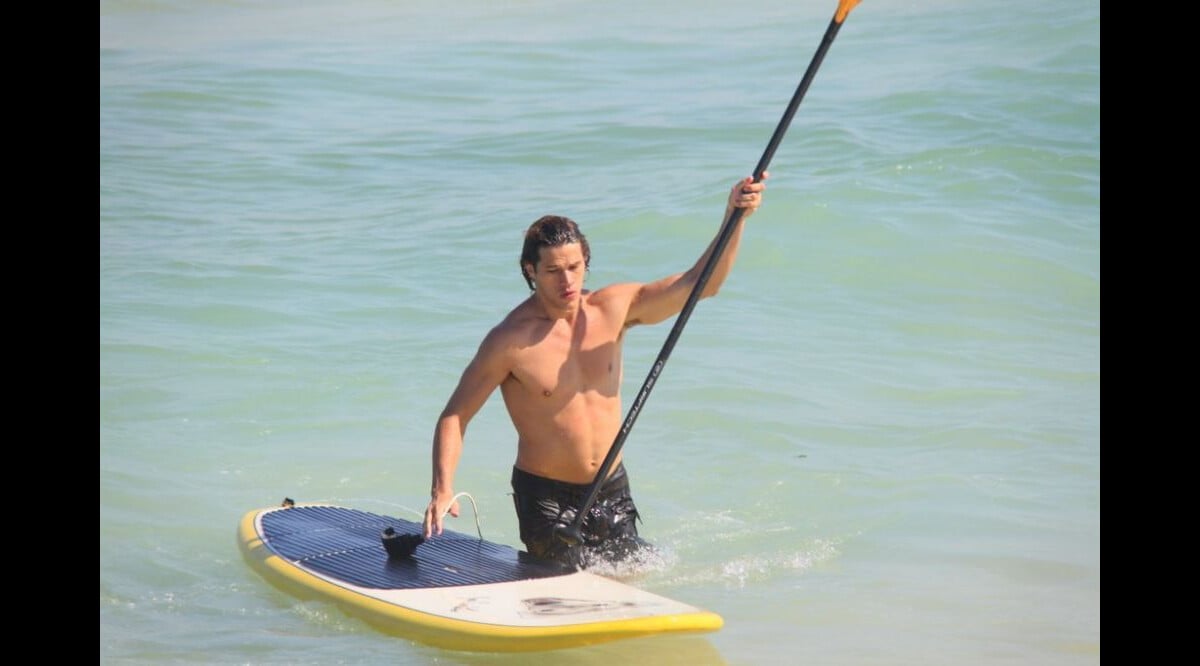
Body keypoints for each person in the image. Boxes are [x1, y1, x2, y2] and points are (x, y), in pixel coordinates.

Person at [422, 173, 769, 569]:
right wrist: (442, 487)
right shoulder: (510, 341)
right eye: (553, 271)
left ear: (587, 262)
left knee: (629, 587)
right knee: (564, 597)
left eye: (574, 266)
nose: (567, 280)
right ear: (530, 270)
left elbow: (701, 285)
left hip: (611, 488)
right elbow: (455, 416)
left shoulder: (613, 309)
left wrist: (733, 218)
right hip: (547, 499)